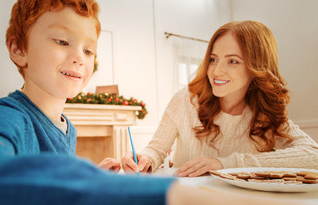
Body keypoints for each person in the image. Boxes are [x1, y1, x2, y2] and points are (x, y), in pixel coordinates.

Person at [0, 1, 318, 205]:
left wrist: (95, 175)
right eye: (61, 41)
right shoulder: (4, 116)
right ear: (18, 48)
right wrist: (170, 202)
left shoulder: (64, 125)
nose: (80, 58)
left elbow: (43, 180)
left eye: (88, 50)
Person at [122, 20, 318, 177]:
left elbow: (313, 155)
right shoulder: (186, 99)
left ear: (256, 67)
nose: (217, 71)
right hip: (188, 203)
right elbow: (156, 149)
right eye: (213, 59)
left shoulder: (264, 113)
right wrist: (144, 159)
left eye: (232, 61)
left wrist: (226, 164)